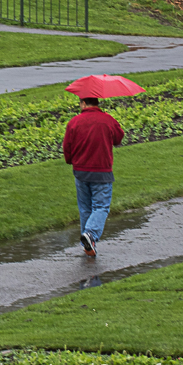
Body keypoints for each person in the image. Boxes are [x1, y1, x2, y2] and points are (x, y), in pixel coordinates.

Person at [62, 97, 124, 257]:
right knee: (101, 207)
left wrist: (71, 160)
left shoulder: (74, 122)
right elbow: (118, 138)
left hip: (80, 171)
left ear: (83, 103)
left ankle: (88, 243)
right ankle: (90, 234)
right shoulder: (107, 120)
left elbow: (67, 146)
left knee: (85, 208)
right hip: (102, 170)